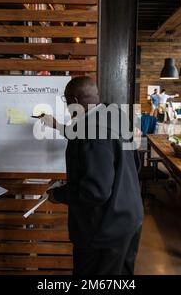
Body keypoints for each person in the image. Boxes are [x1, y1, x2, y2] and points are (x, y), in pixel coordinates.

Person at [40, 76, 143, 275]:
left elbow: (96, 192)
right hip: (129, 216)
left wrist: (59, 194)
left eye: (66, 101)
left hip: (104, 229)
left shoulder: (92, 133)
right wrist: (56, 124)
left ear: (75, 102)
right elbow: (133, 164)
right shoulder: (114, 114)